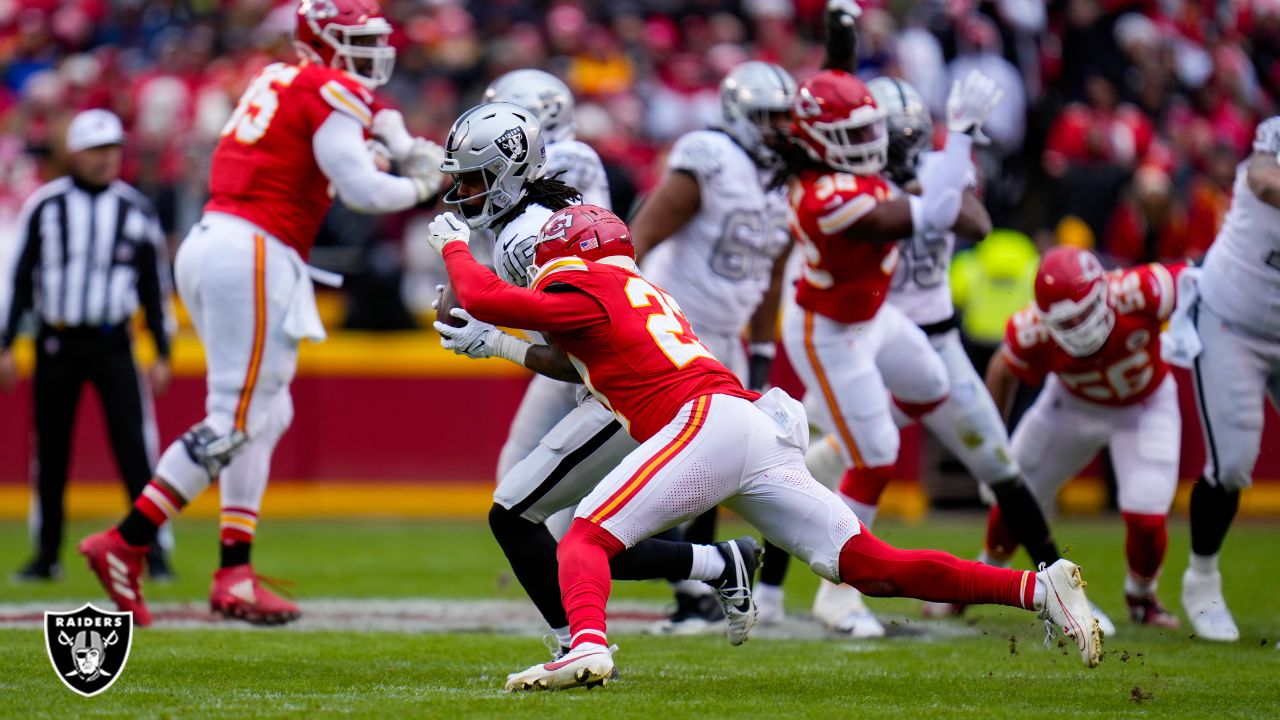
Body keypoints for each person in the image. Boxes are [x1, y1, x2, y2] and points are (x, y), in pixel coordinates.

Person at [425, 203, 1102, 691]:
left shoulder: (587, 286)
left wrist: (455, 244)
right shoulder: (637, 291)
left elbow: (482, 292)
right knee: (869, 564)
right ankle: (1038, 588)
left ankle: (589, 647)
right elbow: (587, 362)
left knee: (582, 540)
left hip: (703, 423)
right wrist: (502, 345)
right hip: (745, 422)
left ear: (568, 253)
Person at [78, 0, 445, 626]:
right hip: (252, 249)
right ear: (322, 43)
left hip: (225, 243)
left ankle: (235, 570)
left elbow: (347, 139)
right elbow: (361, 189)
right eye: (358, 41)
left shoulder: (284, 79)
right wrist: (421, 183)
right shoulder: (328, 88)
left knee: (269, 413)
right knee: (236, 417)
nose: (373, 54)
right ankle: (127, 539)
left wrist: (396, 143)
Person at [433, 103, 758, 659]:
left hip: (626, 394)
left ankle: (575, 644)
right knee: (564, 532)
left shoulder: (525, 239)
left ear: (508, 173)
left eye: (473, 178)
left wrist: (495, 340)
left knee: (520, 516)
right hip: (628, 381)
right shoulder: (538, 212)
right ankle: (718, 563)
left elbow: (567, 361)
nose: (462, 191)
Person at [628, 60, 796, 634]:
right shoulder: (710, 156)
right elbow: (641, 235)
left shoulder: (783, 180)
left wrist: (765, 351)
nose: (779, 129)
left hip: (724, 337)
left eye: (784, 119)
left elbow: (773, 275)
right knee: (678, 468)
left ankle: (705, 590)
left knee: (711, 470)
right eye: (768, 119)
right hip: (674, 330)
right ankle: (705, 585)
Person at [0, 109, 174, 582]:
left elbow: (153, 287)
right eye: (97, 150)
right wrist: (6, 341)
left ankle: (152, 550)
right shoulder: (46, 205)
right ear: (74, 154)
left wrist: (162, 350)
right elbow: (19, 278)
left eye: (114, 149)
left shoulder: (134, 208)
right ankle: (46, 554)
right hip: (56, 341)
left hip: (113, 340)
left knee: (135, 450)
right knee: (50, 454)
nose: (107, 159)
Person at [983, 246, 1183, 628]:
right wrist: (994, 442)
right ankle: (984, 577)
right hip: (1072, 405)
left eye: (1084, 314)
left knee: (1147, 513)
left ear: (1104, 292)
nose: (1079, 328)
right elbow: (1002, 369)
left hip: (1144, 405)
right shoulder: (1031, 330)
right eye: (1067, 322)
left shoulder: (1143, 289)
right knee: (1016, 488)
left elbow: (1198, 285)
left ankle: (1142, 597)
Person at [480, 68, 612, 541]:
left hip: (594, 337)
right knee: (515, 477)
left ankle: (704, 570)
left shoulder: (571, 158)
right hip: (560, 340)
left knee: (584, 512)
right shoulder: (507, 192)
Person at [1166, 117, 1280, 642]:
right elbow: (1264, 179)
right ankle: (1202, 578)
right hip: (1232, 318)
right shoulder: (1271, 142)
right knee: (1232, 465)